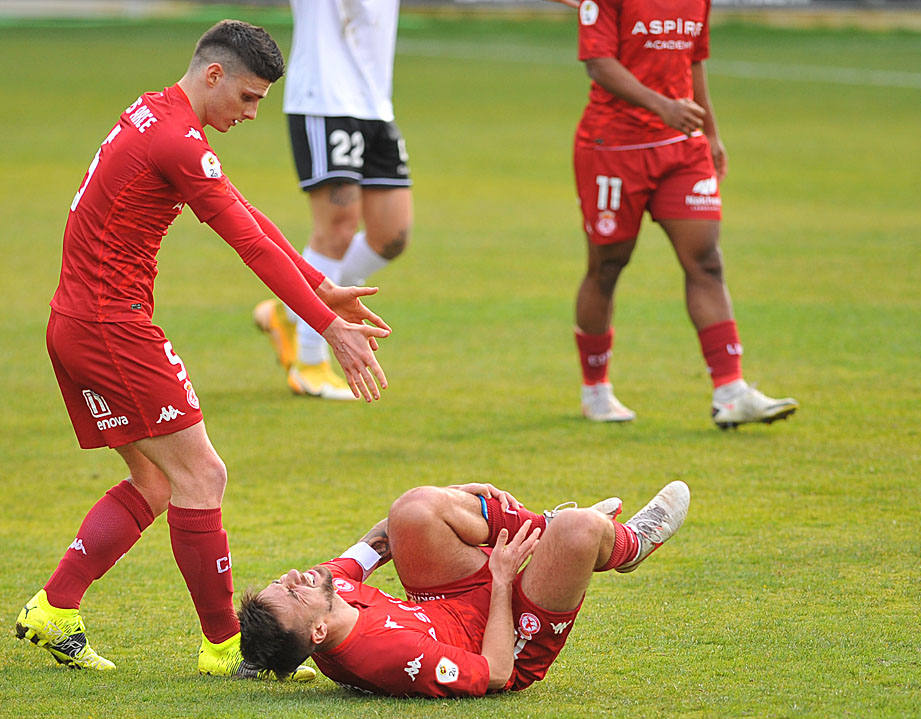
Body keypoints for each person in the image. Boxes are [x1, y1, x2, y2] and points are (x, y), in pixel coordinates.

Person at [14, 20, 391, 678]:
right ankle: (224, 646)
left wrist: (320, 287)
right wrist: (324, 327)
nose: (250, 113)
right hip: (112, 328)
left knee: (157, 481)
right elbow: (244, 241)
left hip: (75, 321)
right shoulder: (175, 138)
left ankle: (55, 607)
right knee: (202, 476)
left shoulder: (157, 113)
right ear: (212, 74)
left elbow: (243, 212)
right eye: (247, 98)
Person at [237, 480, 690, 696]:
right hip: (506, 638)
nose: (298, 576)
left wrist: (458, 500)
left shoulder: (325, 592)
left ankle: (539, 525)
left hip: (451, 598)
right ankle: (630, 545)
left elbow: (383, 537)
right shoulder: (391, 658)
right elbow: (494, 672)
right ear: (317, 636)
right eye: (294, 592)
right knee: (578, 529)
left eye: (283, 580)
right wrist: (502, 582)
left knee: (412, 509)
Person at [570, 0, 798, 427]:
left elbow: (693, 59)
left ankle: (730, 390)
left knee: (706, 261)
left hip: (681, 147)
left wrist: (709, 131)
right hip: (613, 149)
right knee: (607, 266)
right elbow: (599, 64)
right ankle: (595, 390)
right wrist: (664, 106)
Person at [254, 0, 413, 400]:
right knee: (338, 228)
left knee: (391, 235)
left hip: (375, 103)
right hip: (323, 100)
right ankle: (310, 362)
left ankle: (290, 310)